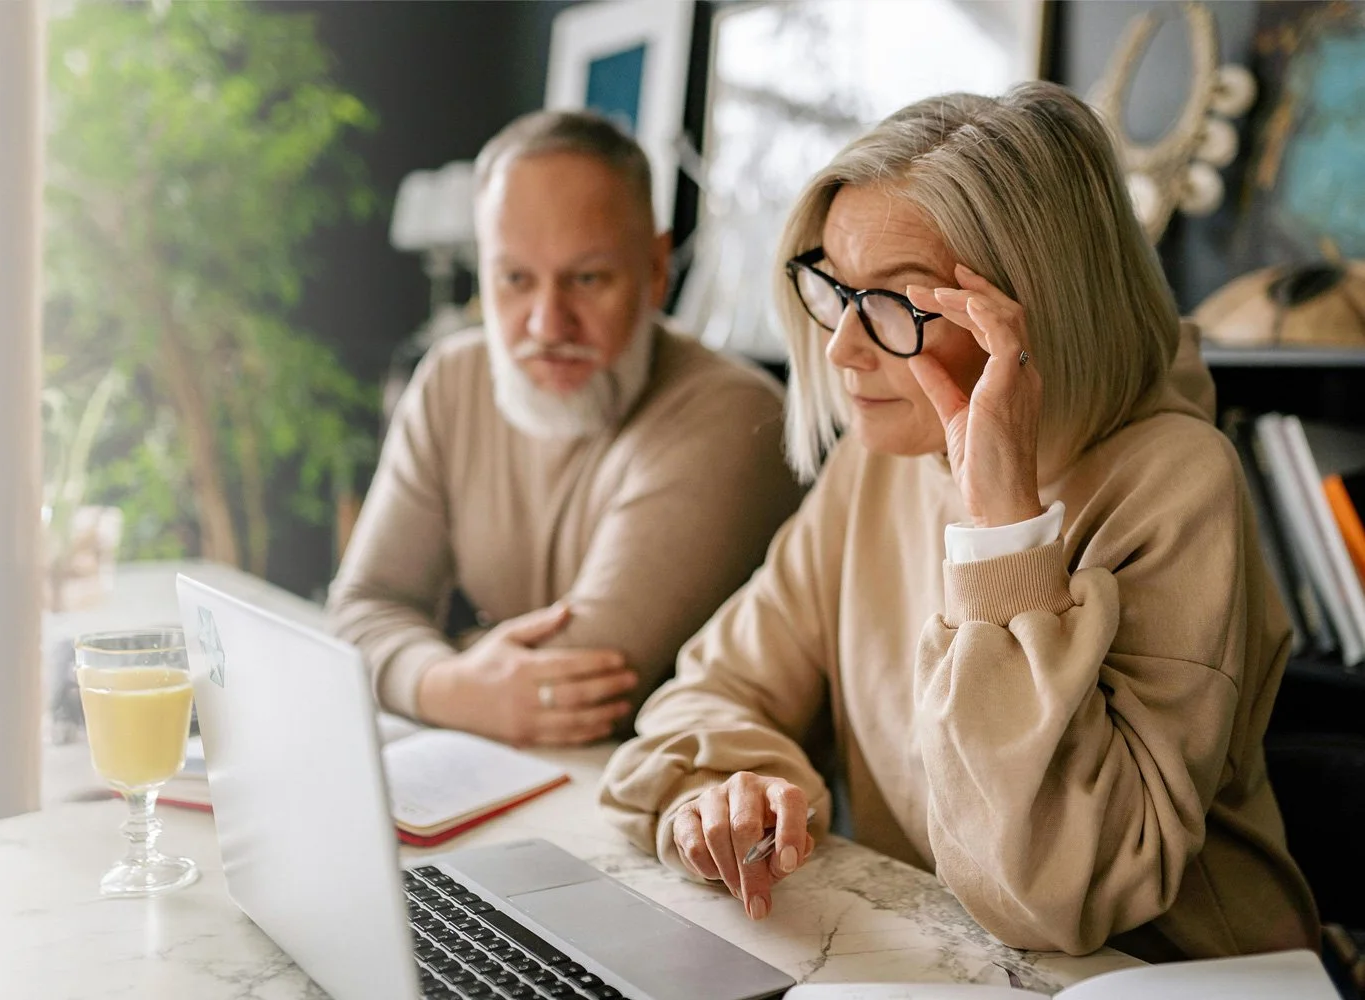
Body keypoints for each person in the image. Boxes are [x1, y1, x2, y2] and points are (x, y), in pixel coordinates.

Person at [598, 83, 1318, 959]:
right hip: (946, 956)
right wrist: (734, 789)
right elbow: (710, 694)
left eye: (898, 303)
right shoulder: (879, 459)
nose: (839, 348)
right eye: (833, 286)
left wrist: (1003, 532)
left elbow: (1055, 895)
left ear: (1037, 316)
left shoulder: (1175, 482)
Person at [330, 110, 801, 747]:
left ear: (656, 271)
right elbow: (360, 606)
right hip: (527, 781)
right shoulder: (452, 379)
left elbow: (581, 693)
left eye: (587, 279)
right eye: (515, 279)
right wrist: (449, 683)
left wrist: (434, 663)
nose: (548, 324)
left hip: (685, 808)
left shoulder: (734, 415)